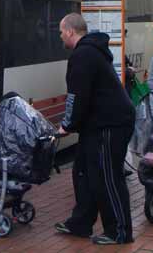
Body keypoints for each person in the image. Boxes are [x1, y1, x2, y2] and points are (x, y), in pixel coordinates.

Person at [55, 13, 135, 245]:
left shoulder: (83, 55)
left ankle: (120, 231)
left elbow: (77, 95)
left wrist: (67, 126)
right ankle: (81, 223)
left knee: (107, 177)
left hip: (110, 124)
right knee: (83, 172)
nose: (60, 36)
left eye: (61, 32)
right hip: (99, 123)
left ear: (70, 31)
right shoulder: (90, 51)